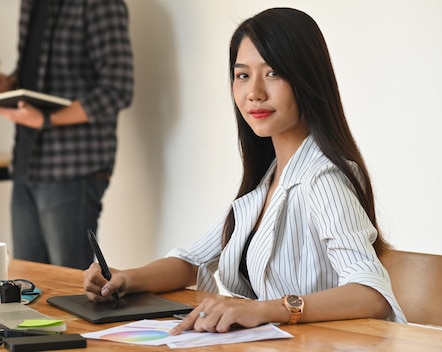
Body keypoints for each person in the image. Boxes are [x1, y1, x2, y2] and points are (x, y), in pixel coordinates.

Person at [84, 7, 406, 334]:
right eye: (242, 75)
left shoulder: (323, 178)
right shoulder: (268, 181)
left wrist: (264, 310)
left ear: (307, 79)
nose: (254, 93)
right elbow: (191, 261)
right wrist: (125, 278)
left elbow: (372, 293)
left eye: (273, 73)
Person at [0, 0, 134, 270]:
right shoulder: (30, 5)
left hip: (73, 169)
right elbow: (38, 75)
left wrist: (47, 119)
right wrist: (9, 84)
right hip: (26, 164)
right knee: (27, 282)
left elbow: (118, 89)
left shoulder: (100, 5)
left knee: (68, 284)